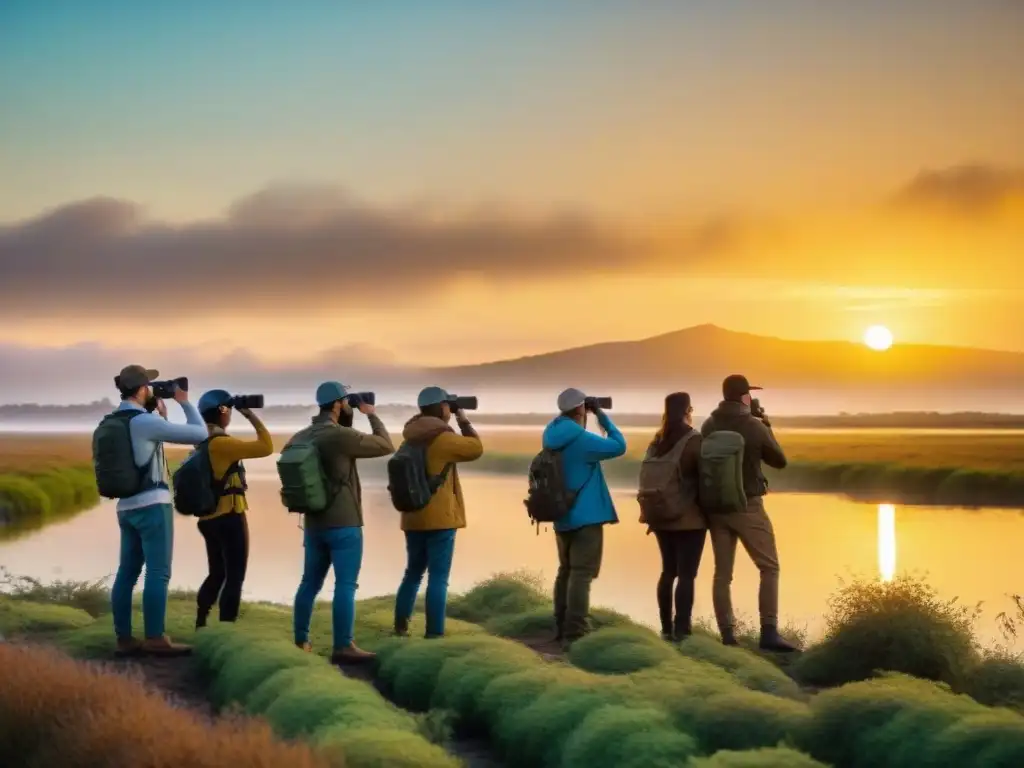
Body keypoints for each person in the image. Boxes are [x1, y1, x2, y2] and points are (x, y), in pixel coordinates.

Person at [101, 365, 208, 657]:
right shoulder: (144, 422)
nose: (153, 389)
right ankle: (155, 638)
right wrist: (184, 401)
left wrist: (161, 417)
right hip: (153, 504)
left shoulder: (116, 421)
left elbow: (145, 449)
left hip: (126, 507)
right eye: (149, 385)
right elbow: (200, 434)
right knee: (158, 572)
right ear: (140, 390)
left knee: (127, 573)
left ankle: (124, 638)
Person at [287, 380, 394, 664]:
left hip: (313, 522)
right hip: (344, 522)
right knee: (346, 585)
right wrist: (369, 412)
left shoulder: (301, 436)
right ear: (337, 404)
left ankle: (301, 640)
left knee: (309, 583)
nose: (348, 405)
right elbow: (385, 444)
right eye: (346, 401)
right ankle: (343, 645)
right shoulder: (340, 436)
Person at [701, 374, 796, 652]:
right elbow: (779, 461)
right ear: (745, 396)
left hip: (716, 506)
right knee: (769, 567)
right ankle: (769, 632)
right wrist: (766, 423)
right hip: (748, 504)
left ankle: (727, 635)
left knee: (722, 574)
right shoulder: (753, 425)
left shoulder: (709, 424)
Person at [393, 386, 484, 639]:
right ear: (443, 408)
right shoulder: (443, 438)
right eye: (448, 406)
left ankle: (400, 628)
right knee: (438, 578)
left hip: (412, 516)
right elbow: (476, 448)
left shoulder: (409, 437)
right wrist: (462, 418)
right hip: (440, 519)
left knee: (412, 574)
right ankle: (434, 633)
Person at [543, 388, 627, 649]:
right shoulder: (580, 439)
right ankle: (576, 631)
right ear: (581, 409)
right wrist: (601, 416)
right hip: (586, 515)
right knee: (582, 573)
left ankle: (560, 624)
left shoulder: (551, 433)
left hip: (560, 513)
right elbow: (619, 446)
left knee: (565, 571)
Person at [193, 389, 274, 629]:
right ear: (223, 411)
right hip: (229, 517)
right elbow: (266, 446)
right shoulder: (222, 444)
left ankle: (201, 621)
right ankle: (227, 627)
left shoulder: (201, 440)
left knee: (217, 573)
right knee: (234, 576)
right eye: (228, 409)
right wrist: (249, 415)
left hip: (208, 518)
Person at [637, 392, 705, 641]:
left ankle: (666, 628)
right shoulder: (694, 440)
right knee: (687, 575)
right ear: (688, 410)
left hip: (659, 515)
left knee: (668, 572)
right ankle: (682, 631)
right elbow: (705, 477)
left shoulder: (657, 441)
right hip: (688, 519)